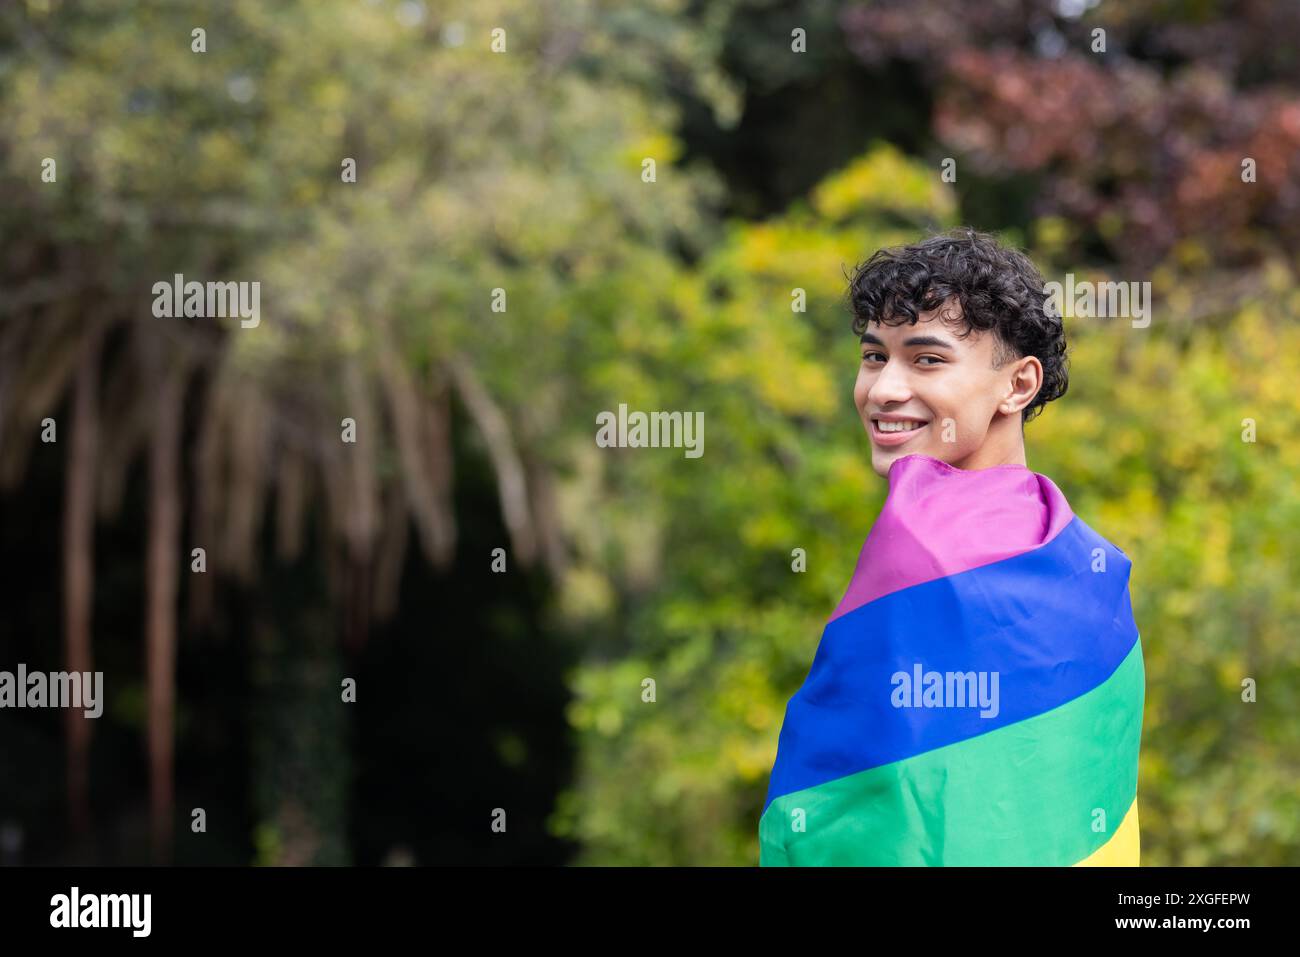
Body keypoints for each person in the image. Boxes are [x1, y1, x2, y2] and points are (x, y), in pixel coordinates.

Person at [759, 229, 1144, 866]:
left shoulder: (921, 548)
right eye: (874, 356)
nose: (882, 389)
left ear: (1018, 385)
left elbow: (837, 818)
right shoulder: (1092, 566)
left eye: (927, 360)